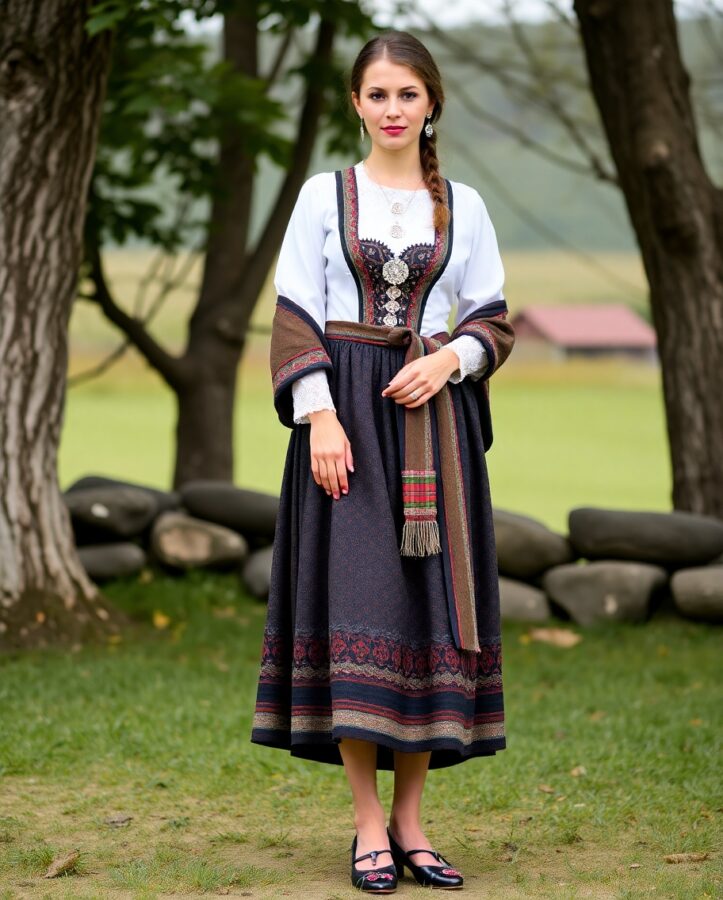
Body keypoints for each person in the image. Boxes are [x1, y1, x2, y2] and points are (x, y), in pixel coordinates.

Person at [251, 29, 515, 894]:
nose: (393, 109)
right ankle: (367, 823)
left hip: (432, 423)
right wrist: (320, 419)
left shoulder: (462, 206)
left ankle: (410, 821)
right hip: (346, 422)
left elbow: (491, 316)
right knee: (354, 607)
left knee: (424, 618)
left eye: (408, 94)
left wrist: (448, 360)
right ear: (357, 105)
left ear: (430, 102)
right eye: (377, 95)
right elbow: (294, 313)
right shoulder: (323, 197)